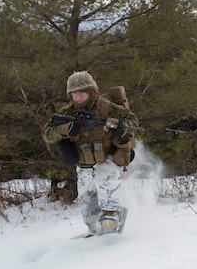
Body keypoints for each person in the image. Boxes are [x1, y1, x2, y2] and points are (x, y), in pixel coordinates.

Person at [42, 71, 138, 236]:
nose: (78, 97)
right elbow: (47, 133)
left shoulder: (106, 106)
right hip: (84, 164)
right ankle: (96, 233)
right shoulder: (67, 112)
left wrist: (121, 128)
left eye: (82, 93)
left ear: (91, 92)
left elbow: (132, 120)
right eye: (74, 94)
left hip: (108, 160)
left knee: (106, 191)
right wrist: (65, 129)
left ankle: (112, 225)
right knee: (88, 213)